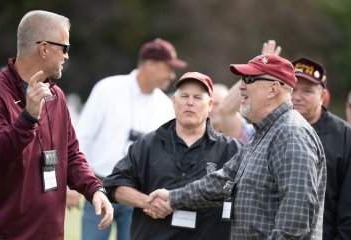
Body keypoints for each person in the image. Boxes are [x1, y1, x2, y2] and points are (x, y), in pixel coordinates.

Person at [149, 54, 327, 239]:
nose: (241, 86)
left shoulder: (291, 134)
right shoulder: (266, 132)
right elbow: (222, 180)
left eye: (249, 79)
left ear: (273, 89)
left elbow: (295, 221)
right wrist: (173, 198)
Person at [0, 10, 113, 239]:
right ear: (44, 48)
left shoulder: (56, 95)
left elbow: (72, 154)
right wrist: (27, 119)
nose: (67, 56)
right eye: (65, 48)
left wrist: (95, 189)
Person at [103, 71, 243, 240]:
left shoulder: (231, 150)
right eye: (184, 96)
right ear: (174, 101)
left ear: (211, 105)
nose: (190, 102)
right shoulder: (148, 144)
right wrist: (148, 202)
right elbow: (114, 185)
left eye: (198, 98)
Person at [76, 38, 187, 240]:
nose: (172, 75)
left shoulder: (164, 105)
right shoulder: (108, 89)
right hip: (98, 187)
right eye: (168, 68)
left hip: (137, 194)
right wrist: (75, 183)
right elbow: (83, 136)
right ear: (150, 64)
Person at [291, 57, 351, 239]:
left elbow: (348, 207)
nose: (297, 97)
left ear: (323, 96)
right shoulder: (272, 129)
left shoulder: (345, 136)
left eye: (307, 91)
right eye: (292, 89)